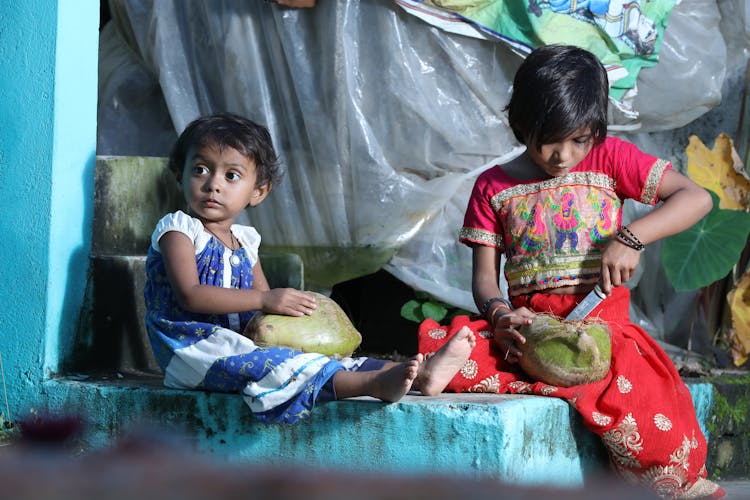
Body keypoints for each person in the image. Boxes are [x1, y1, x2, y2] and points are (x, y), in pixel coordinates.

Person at [417, 45, 725, 499]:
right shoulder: (492, 187)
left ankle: (675, 486)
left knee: (650, 415)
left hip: (605, 334)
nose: (563, 155)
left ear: (596, 132)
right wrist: (501, 315)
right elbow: (484, 281)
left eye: (580, 140)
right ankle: (443, 371)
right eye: (549, 140)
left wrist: (632, 237)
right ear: (520, 125)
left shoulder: (612, 159)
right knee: (463, 345)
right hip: (530, 337)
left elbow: (695, 198)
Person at [144, 112, 474, 424]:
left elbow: (263, 305)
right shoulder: (179, 230)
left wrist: (296, 320)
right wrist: (266, 300)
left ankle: (420, 375)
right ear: (179, 174)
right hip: (191, 349)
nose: (213, 184)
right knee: (278, 366)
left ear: (258, 192)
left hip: (236, 343)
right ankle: (372, 384)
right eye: (200, 169)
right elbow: (191, 296)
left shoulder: (245, 240)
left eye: (231, 175)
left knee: (321, 359)